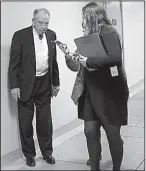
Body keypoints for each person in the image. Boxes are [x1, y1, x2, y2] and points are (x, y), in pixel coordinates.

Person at [61, 2, 129, 171]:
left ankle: (116, 168)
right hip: (90, 92)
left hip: (110, 92)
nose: (82, 21)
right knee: (90, 131)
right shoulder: (87, 37)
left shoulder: (109, 31)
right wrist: (69, 56)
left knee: (112, 134)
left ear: (92, 16)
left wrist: (89, 61)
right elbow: (76, 66)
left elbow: (115, 57)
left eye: (84, 17)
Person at [8, 8, 60, 167]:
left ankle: (47, 152)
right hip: (25, 84)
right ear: (33, 21)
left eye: (46, 23)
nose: (44, 26)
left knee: (45, 120)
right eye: (40, 23)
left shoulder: (51, 35)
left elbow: (54, 61)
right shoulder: (20, 36)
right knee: (25, 121)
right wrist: (14, 86)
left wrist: (56, 82)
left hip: (44, 82)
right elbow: (14, 64)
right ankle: (29, 154)